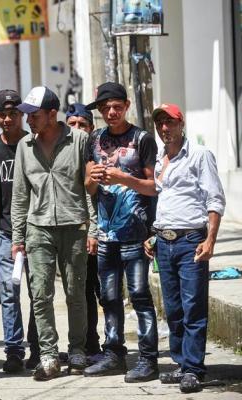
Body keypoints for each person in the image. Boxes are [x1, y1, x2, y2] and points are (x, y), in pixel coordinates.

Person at [11, 86, 93, 380]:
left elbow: (90, 187)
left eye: (34, 115)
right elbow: (20, 196)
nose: (28, 120)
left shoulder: (80, 140)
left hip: (74, 226)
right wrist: (18, 238)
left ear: (52, 114)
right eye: (27, 115)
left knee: (75, 292)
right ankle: (48, 355)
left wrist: (92, 228)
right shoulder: (24, 147)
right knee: (40, 295)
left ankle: (77, 350)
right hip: (38, 228)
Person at [144, 103, 225, 393]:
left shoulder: (200, 155)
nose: (165, 128)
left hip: (191, 241)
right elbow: (166, 201)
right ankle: (181, 364)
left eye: (170, 122)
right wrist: (154, 235)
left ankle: (193, 368)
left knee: (193, 307)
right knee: (174, 308)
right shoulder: (160, 158)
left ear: (181, 124)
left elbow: (214, 200)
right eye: (160, 123)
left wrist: (210, 240)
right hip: (164, 243)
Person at [84, 82, 159, 382]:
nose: (111, 112)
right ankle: (114, 354)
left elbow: (154, 187)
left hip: (136, 233)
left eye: (116, 106)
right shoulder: (94, 139)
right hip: (105, 235)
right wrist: (93, 177)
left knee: (140, 295)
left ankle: (149, 359)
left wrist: (123, 178)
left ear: (126, 106)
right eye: (105, 108)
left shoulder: (142, 139)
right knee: (109, 297)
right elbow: (88, 187)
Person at [0, 89, 40, 372]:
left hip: (37, 232)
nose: (8, 119)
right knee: (9, 293)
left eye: (13, 114)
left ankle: (38, 347)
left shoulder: (34, 145)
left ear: (22, 115)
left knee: (38, 293)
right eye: (2, 114)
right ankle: (14, 351)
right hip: (5, 233)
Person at [65, 104, 103, 362]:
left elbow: (93, 198)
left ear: (91, 128)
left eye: (82, 124)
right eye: (72, 124)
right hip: (77, 235)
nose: (77, 129)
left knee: (108, 293)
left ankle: (114, 345)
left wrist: (95, 230)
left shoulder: (100, 153)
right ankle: (91, 344)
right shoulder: (62, 153)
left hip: (102, 233)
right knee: (84, 290)